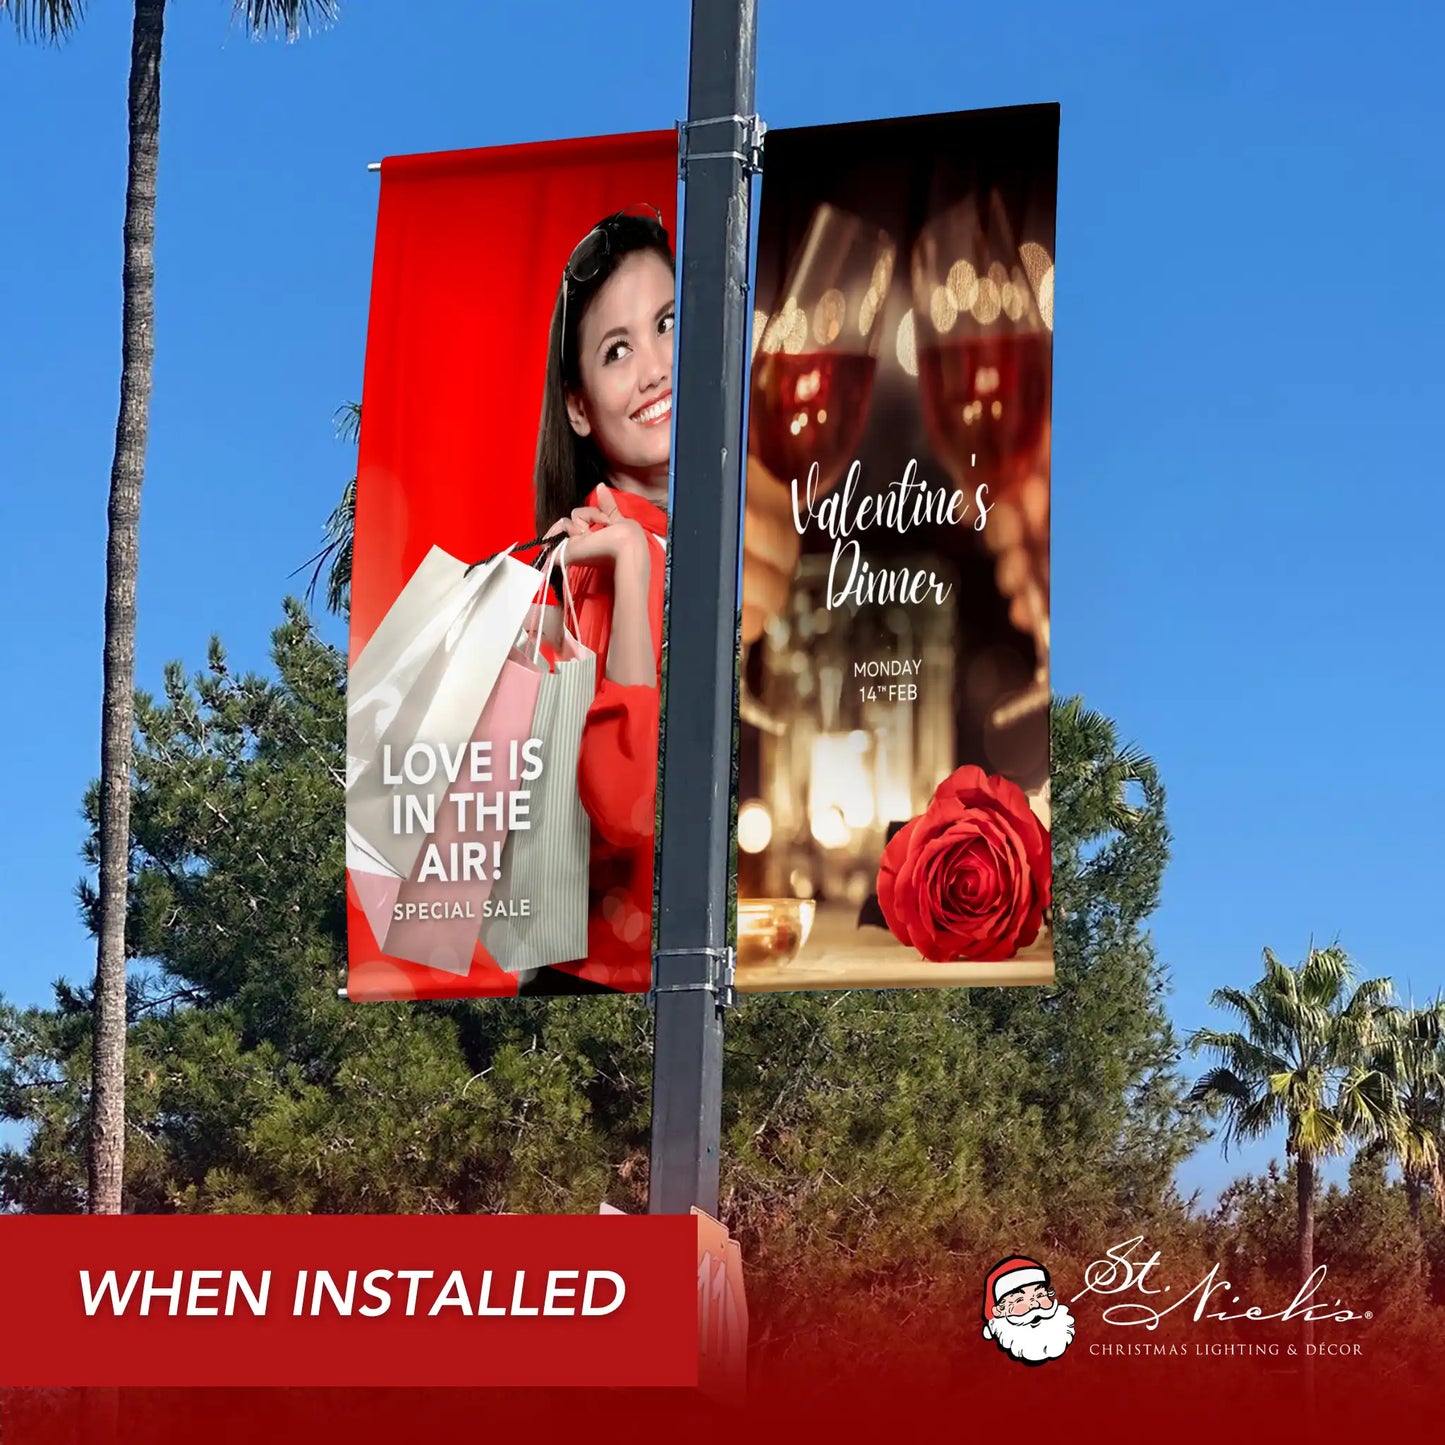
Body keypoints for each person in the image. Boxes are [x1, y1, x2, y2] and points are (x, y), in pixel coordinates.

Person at [520, 208, 795, 994]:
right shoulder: (580, 566)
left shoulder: (753, 539)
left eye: (668, 324)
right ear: (578, 405)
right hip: (604, 1003)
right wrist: (633, 569)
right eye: (617, 350)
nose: (654, 368)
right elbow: (627, 814)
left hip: (739, 977)